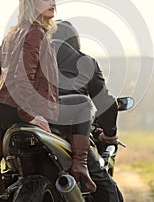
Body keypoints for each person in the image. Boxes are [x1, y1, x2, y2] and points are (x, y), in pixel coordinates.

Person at [0, 0, 96, 195]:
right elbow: (23, 75)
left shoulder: (13, 33)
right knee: (83, 103)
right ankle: (80, 165)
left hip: (5, 109)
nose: (53, 3)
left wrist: (0, 100)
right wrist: (29, 114)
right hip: (30, 108)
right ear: (31, 5)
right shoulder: (36, 32)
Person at [52, 20, 123, 202]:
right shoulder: (86, 62)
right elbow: (106, 104)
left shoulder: (32, 57)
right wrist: (110, 134)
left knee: (10, 177)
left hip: (29, 122)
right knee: (107, 189)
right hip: (69, 130)